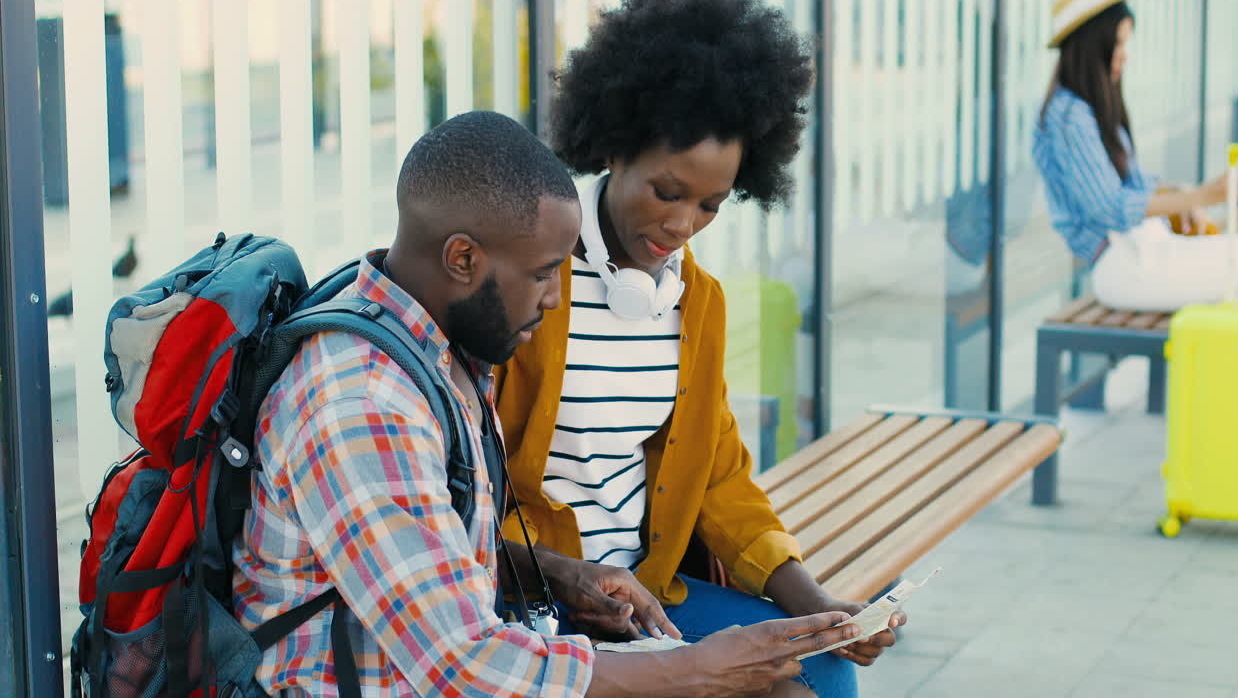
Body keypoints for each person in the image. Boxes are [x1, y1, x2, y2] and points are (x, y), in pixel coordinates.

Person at [232, 110, 858, 697]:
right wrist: (690, 670)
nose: (557, 298)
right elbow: (466, 667)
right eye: (542, 274)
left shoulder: (433, 344)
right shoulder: (363, 402)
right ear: (463, 258)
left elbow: (445, 563)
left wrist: (556, 573)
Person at [492, 0, 902, 697]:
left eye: (711, 204)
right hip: (536, 596)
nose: (683, 225)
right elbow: (462, 480)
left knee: (827, 673)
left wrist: (817, 605)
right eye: (667, 191)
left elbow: (717, 472)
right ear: (616, 150)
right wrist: (567, 576)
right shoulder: (531, 279)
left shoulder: (696, 301)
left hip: (646, 596)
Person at [1034, 0, 1238, 312]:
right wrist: (1203, 195)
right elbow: (1110, 207)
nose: (1125, 56)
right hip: (1125, 266)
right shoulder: (1068, 116)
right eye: (1119, 45)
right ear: (1095, 46)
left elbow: (1131, 184)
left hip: (1144, 252)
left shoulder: (1089, 108)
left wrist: (1177, 195)